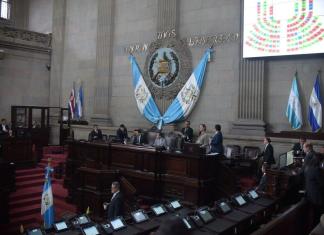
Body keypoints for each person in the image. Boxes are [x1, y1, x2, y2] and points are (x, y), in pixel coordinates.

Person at [304, 153, 324, 226]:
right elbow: (322, 184)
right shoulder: (317, 170)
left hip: (311, 195)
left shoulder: (308, 167)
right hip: (317, 198)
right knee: (317, 217)